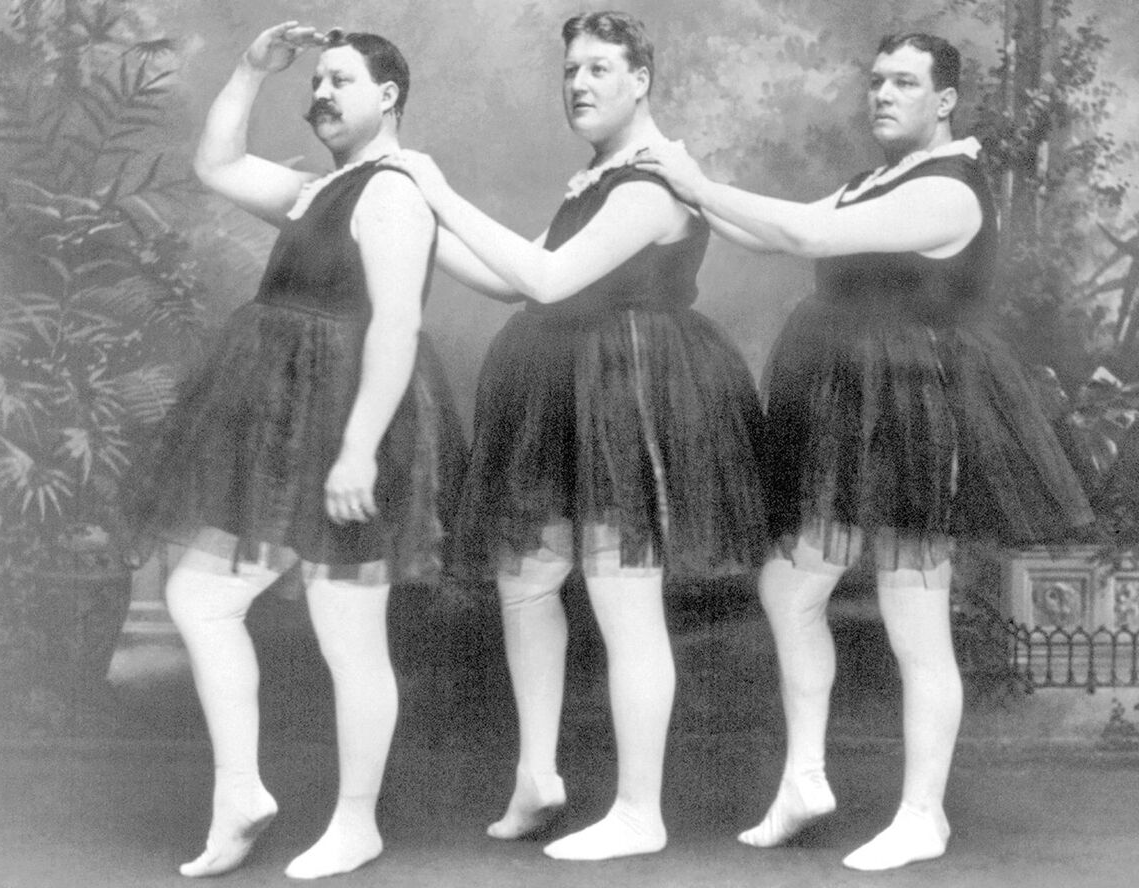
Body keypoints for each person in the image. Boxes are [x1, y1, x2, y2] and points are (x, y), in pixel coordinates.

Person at [635, 32, 1093, 871]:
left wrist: (695, 183)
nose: (882, 93)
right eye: (877, 80)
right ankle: (805, 781)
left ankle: (924, 815)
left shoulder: (950, 189)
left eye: (904, 82)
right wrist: (684, 186)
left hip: (921, 405)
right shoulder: (874, 181)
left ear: (944, 100)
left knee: (913, 613)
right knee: (789, 586)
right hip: (849, 407)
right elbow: (780, 235)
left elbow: (807, 237)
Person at [384, 11, 766, 862]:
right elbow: (512, 280)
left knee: (624, 598)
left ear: (641, 80)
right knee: (525, 581)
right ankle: (537, 776)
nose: (579, 84)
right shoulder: (599, 176)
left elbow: (549, 278)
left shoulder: (648, 185)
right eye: (571, 71)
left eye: (598, 69)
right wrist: (413, 219)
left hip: (632, 391)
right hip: (562, 387)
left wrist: (438, 193)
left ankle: (639, 809)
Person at [128, 21, 462, 880]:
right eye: (315, 83)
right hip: (286, 427)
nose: (320, 95)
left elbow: (397, 323)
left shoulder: (392, 192)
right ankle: (240, 795)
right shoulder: (323, 188)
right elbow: (217, 165)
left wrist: (358, 451)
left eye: (339, 81)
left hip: (354, 425)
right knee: (199, 593)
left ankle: (358, 822)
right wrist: (250, 68)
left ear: (388, 95)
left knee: (349, 635)